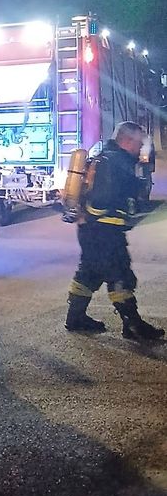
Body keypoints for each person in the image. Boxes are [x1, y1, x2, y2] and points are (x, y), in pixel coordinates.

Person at [65, 121, 164, 340]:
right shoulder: (116, 162)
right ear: (127, 141)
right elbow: (102, 199)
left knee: (89, 272)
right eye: (138, 143)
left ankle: (75, 317)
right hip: (106, 232)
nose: (140, 148)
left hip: (91, 231)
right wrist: (101, 213)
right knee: (120, 275)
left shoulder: (104, 156)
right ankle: (133, 325)